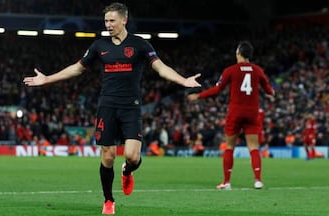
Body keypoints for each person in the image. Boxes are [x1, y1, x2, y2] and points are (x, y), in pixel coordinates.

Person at [23, 2, 201, 214]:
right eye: (106, 21)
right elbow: (77, 68)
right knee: (107, 156)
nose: (108, 24)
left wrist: (183, 81)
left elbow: (161, 68)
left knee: (132, 156)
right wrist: (47, 79)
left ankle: (128, 171)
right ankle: (108, 200)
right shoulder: (99, 46)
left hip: (131, 107)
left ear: (124, 20)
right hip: (107, 105)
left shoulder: (141, 45)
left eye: (112, 20)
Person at [188, 41, 274, 190]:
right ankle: (258, 180)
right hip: (252, 113)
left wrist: (199, 96)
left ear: (238, 53)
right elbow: (268, 89)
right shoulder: (258, 70)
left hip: (235, 112)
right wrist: (272, 93)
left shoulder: (230, 70)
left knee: (229, 147)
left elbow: (217, 90)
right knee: (253, 148)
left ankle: (226, 182)